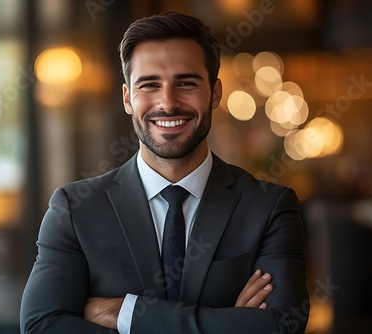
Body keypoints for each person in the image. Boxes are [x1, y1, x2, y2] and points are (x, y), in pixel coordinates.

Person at [20, 12, 308, 333]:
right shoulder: (75, 209)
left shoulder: (269, 207)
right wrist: (229, 322)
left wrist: (128, 315)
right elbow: (42, 326)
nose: (168, 102)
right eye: (150, 85)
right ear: (128, 98)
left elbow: (282, 326)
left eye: (185, 83)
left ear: (214, 93)